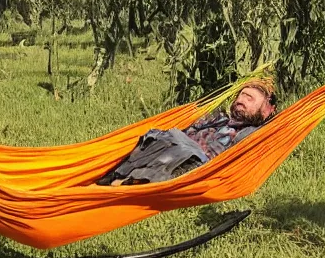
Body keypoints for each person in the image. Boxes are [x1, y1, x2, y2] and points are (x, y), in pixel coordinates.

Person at [98, 78, 278, 186]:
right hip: (174, 142)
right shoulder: (218, 116)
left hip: (195, 160)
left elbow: (273, 127)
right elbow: (185, 127)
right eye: (241, 95)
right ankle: (114, 176)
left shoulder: (250, 133)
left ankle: (132, 184)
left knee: (183, 152)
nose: (241, 100)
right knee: (157, 137)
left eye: (249, 98)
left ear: (266, 110)